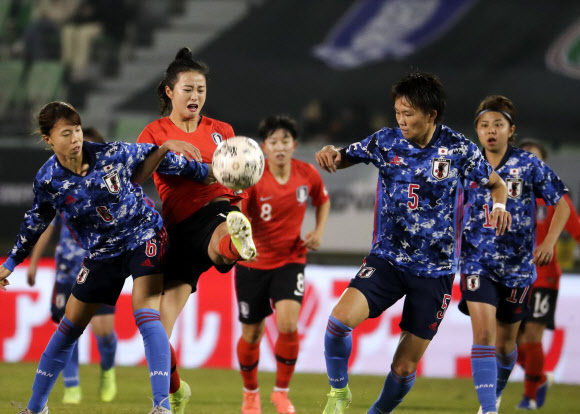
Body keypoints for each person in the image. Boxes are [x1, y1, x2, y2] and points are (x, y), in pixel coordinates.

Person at [315, 72, 511, 414]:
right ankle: (338, 392)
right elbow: (345, 156)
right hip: (387, 260)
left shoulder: (459, 149)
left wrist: (498, 206)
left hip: (434, 273)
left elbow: (497, 185)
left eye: (408, 114)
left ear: (431, 115)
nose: (401, 121)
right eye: (397, 113)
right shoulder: (386, 141)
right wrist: (332, 154)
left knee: (404, 367)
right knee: (337, 323)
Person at [0, 101, 212, 414]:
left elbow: (162, 160)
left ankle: (161, 407)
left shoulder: (111, 153)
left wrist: (211, 174)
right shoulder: (48, 181)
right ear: (48, 139)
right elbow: (35, 222)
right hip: (102, 253)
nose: (75, 138)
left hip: (144, 236)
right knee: (69, 328)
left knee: (146, 314)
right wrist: (9, 265)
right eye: (65, 133)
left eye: (77, 130)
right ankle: (35, 408)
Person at [137, 47, 257, 414]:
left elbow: (241, 179)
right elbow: (135, 177)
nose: (196, 96)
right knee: (156, 330)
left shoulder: (223, 131)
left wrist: (238, 197)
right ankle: (176, 390)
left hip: (215, 211)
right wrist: (164, 149)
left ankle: (237, 243)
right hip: (175, 232)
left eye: (201, 90)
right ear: (169, 91)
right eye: (188, 89)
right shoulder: (155, 131)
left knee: (220, 237)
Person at [458, 96, 570, 414]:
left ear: (511, 130)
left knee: (506, 346)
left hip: (518, 268)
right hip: (476, 262)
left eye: (498, 125)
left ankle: (497, 394)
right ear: (477, 131)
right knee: (483, 333)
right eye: (483, 125)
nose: (490, 131)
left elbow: (561, 203)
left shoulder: (529, 165)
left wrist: (548, 242)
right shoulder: (467, 165)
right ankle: (488, 408)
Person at [235, 115, 330, 414]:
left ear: (294, 145)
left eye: (285, 141)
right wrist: (241, 239)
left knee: (288, 325)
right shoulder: (253, 177)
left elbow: (322, 200)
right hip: (253, 263)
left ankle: (281, 392)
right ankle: (251, 393)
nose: (279, 147)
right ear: (263, 147)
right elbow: (238, 213)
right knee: (252, 334)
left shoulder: (307, 173)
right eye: (273, 142)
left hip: (291, 259)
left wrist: (318, 232)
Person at [25, 127, 118, 405]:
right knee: (69, 328)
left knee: (103, 331)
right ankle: (72, 385)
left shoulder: (112, 186)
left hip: (100, 266)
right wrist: (32, 263)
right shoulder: (61, 185)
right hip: (67, 269)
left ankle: (107, 370)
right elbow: (45, 225)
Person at [515, 138, 580, 409]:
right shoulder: (505, 191)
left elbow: (576, 228)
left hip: (544, 276)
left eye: (536, 158)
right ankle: (539, 377)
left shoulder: (555, 195)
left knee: (532, 335)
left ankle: (529, 397)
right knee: (506, 342)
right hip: (512, 276)